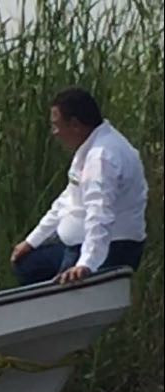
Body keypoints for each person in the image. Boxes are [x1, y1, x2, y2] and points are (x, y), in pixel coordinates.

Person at [11, 87, 148, 286]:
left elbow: (99, 213)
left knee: (61, 284)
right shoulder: (91, 148)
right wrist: (32, 241)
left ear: (75, 124)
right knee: (27, 264)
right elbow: (67, 200)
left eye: (56, 126)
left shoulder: (101, 157)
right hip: (79, 245)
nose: (55, 133)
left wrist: (86, 263)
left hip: (110, 248)